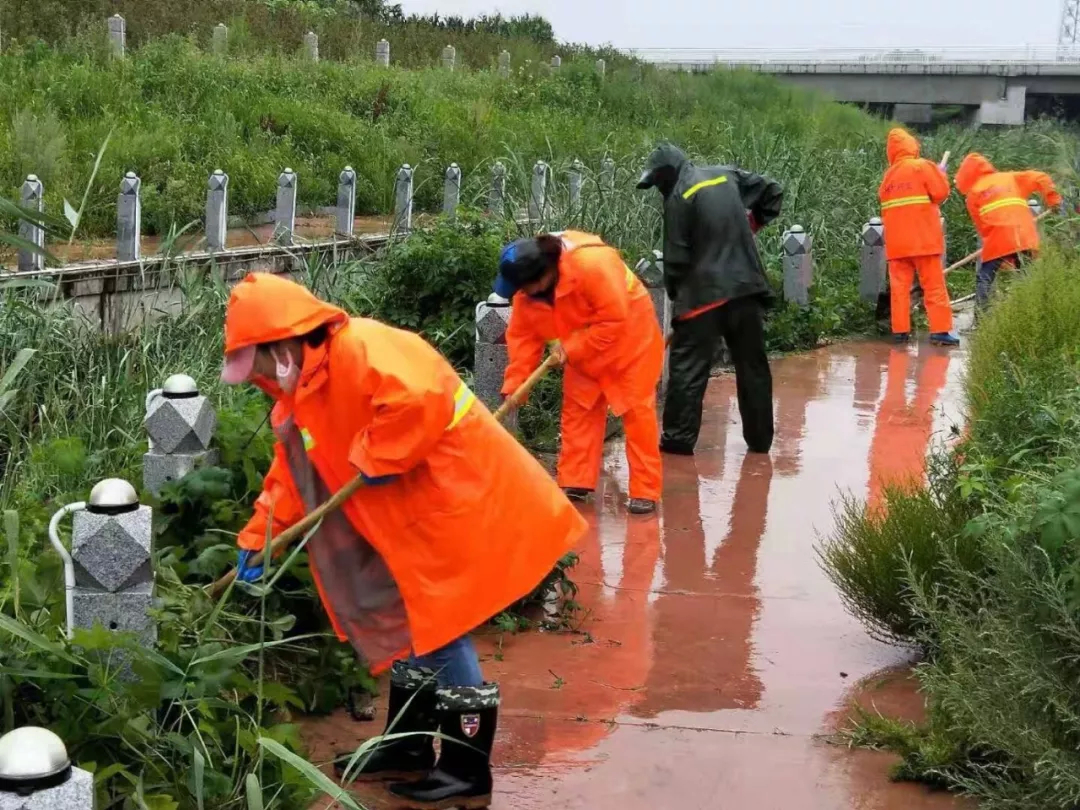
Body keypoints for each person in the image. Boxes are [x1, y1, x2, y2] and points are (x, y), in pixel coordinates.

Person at [220, 272, 587, 809]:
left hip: (451, 500)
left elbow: (419, 399)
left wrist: (376, 456)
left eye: (256, 367)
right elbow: (291, 473)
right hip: (402, 519)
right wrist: (260, 536)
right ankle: (409, 745)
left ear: (281, 345)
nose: (258, 381)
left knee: (441, 628)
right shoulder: (300, 391)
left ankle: (466, 768)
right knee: (410, 626)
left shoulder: (362, 349)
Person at [496, 230, 665, 515]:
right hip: (583, 351)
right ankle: (576, 481)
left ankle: (645, 490)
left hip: (630, 341)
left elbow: (613, 321)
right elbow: (523, 339)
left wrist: (571, 348)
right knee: (578, 410)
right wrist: (516, 384)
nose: (521, 294)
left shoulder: (593, 265)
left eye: (524, 287)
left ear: (544, 274)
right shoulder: (528, 297)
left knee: (637, 413)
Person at [636, 142, 783, 456]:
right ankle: (760, 441)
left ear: (669, 174)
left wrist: (678, 299)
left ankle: (677, 440)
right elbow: (773, 191)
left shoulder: (679, 196)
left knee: (688, 369)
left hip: (703, 299)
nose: (659, 189)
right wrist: (753, 223)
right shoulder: (724, 175)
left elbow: (675, 260)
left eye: (658, 182)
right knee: (752, 366)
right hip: (746, 291)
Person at [877, 127, 958, 347]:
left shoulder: (888, 178)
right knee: (933, 286)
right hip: (924, 241)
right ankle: (940, 332)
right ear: (912, 146)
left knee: (899, 290)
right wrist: (941, 175)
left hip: (897, 245)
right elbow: (940, 194)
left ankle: (900, 332)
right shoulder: (922, 166)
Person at [954, 152, 1062, 311]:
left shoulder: (973, 195)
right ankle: (1030, 313)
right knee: (1026, 274)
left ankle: (980, 319)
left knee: (985, 277)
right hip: (1024, 234)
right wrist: (1053, 199)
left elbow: (982, 228)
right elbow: (1041, 177)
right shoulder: (1011, 177)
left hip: (998, 238)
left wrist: (1001, 254)